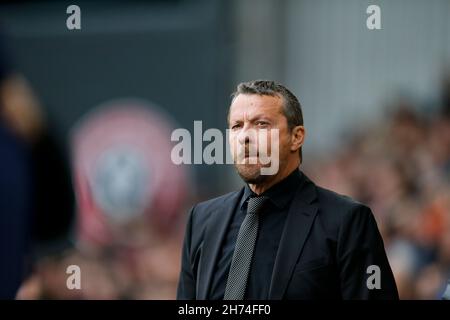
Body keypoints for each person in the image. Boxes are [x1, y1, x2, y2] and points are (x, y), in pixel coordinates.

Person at [176, 80, 398, 300]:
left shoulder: (347, 221)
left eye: (261, 124)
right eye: (236, 126)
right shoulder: (202, 220)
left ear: (297, 137)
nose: (245, 137)